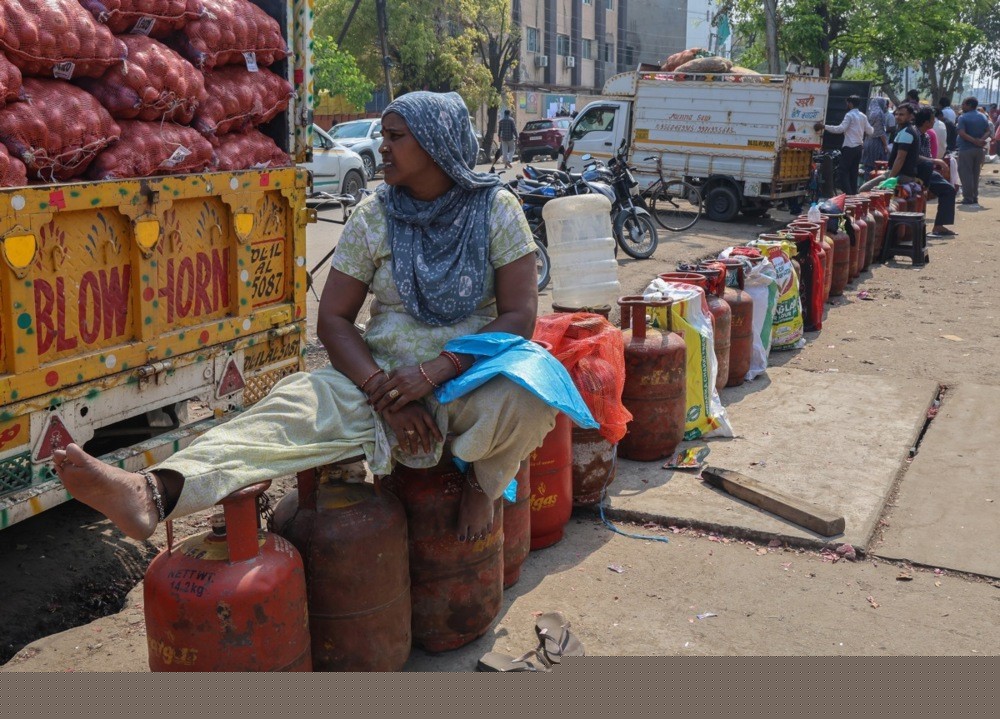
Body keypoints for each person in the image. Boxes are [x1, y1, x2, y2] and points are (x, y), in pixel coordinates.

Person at [52, 91, 559, 544]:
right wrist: (384, 392)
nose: (383, 147)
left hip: (468, 379)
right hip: (378, 382)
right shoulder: (374, 215)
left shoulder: (496, 209)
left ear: (436, 144)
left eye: (396, 137)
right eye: (383, 136)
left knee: (531, 394)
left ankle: (482, 484)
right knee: (285, 408)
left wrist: (436, 371)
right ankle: (153, 493)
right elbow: (334, 320)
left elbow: (519, 315)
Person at [912, 106, 957, 237]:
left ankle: (939, 226)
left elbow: (927, 157)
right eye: (932, 120)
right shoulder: (914, 134)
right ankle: (935, 227)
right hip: (915, 171)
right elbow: (914, 157)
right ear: (926, 122)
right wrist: (935, 161)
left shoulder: (925, 135)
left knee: (948, 189)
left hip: (926, 170)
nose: (934, 122)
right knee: (946, 190)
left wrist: (933, 164)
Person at [815, 94, 873, 194]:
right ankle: (853, 194)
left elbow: (840, 129)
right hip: (859, 148)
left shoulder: (849, 115)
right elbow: (871, 131)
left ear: (850, 104)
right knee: (853, 172)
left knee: (843, 171)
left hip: (849, 147)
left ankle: (848, 194)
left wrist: (824, 126)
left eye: (847, 103)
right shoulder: (863, 116)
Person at [956, 96, 990, 206]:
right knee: (976, 174)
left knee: (966, 174)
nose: (962, 106)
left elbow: (962, 133)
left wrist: (974, 141)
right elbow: (988, 131)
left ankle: (968, 197)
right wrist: (981, 140)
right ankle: (974, 196)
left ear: (969, 105)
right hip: (979, 150)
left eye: (964, 104)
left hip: (966, 149)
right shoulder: (983, 116)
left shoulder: (963, 117)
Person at [861, 97, 890, 177]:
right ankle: (873, 186)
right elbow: (880, 132)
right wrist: (885, 145)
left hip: (868, 141)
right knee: (877, 166)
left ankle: (866, 184)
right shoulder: (879, 113)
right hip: (876, 143)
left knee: (868, 165)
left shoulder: (869, 113)